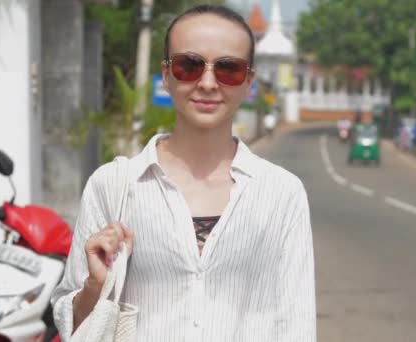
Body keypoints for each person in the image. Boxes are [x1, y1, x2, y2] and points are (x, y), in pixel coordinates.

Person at [51, 5, 316, 342]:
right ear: (167, 74)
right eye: (189, 65)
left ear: (249, 81)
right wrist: (96, 284)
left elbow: (296, 324)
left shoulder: (281, 193)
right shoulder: (114, 186)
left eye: (228, 69)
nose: (207, 83)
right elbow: (73, 327)